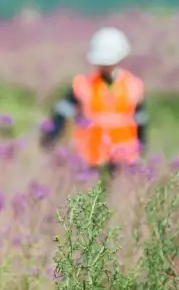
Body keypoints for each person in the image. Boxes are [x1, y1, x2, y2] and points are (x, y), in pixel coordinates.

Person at [40, 27, 148, 178]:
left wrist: (142, 148)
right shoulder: (83, 84)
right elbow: (62, 111)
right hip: (89, 159)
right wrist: (52, 134)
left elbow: (140, 121)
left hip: (125, 161)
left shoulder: (133, 85)